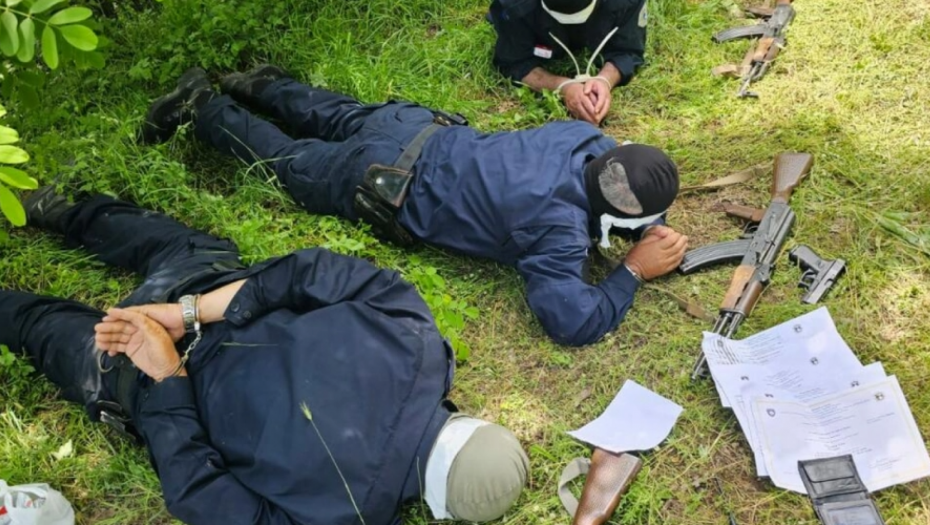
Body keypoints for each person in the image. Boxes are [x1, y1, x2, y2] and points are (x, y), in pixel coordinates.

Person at [1, 188, 530, 525]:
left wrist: (191, 312)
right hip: (137, 372)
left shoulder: (419, 340)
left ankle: (46, 202)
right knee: (38, 327)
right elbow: (198, 491)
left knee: (155, 240)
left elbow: (312, 272)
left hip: (201, 292)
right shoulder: (341, 514)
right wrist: (168, 373)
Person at [141, 65, 688, 347]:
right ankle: (202, 106)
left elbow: (622, 177)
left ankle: (260, 83)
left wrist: (645, 222)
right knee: (289, 161)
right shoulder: (558, 231)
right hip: (383, 180)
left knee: (338, 114)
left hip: (417, 128)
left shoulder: (585, 140)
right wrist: (632, 271)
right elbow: (571, 321)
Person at [488, 0, 649, 125]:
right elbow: (513, 61)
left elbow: (628, 50)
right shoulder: (513, 6)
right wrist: (563, 87)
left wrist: (605, 80)